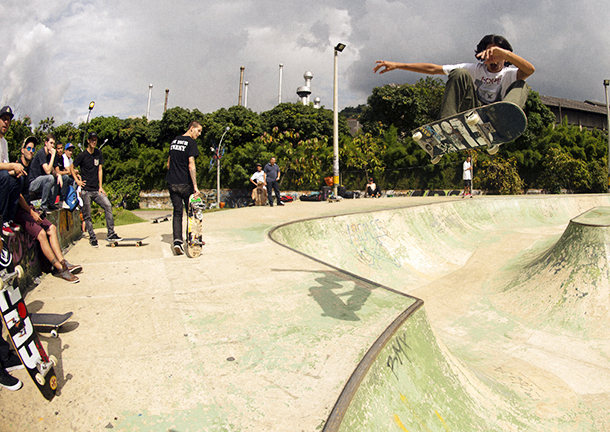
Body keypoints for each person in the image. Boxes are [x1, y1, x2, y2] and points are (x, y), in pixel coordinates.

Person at [373, 34, 535, 119]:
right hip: (473, 111)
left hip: (498, 115)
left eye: (496, 55)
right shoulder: (473, 69)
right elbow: (433, 69)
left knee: (522, 85)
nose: (492, 59)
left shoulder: (510, 73)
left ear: (505, 57)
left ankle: (507, 116)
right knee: (458, 73)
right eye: (489, 55)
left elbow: (530, 69)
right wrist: (398, 65)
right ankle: (447, 122)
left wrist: (503, 53)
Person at [14, 137, 82, 282]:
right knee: (41, 234)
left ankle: (63, 261)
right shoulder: (17, 167)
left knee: (51, 227)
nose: (31, 151)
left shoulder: (28, 166)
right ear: (22, 150)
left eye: (33, 148)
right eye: (29, 148)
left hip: (29, 207)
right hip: (19, 210)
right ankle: (59, 268)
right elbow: (18, 196)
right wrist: (31, 212)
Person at [71, 132, 122, 247]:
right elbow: (72, 167)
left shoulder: (99, 153)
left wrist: (101, 186)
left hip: (96, 189)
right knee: (87, 215)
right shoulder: (82, 155)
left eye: (95, 140)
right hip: (86, 191)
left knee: (108, 205)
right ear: (88, 141)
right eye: (92, 140)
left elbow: (100, 170)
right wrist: (77, 181)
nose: (94, 142)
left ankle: (111, 233)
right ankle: (93, 237)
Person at [165, 121, 202, 255]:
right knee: (191, 213)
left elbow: (168, 164)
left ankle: (177, 242)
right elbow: (191, 165)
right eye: (198, 131)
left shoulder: (174, 141)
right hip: (185, 184)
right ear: (191, 129)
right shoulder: (191, 143)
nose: (199, 134)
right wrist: (195, 187)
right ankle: (191, 239)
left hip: (172, 182)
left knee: (177, 212)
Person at [0, 106, 25, 237]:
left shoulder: (4, 142)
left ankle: (8, 219)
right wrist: (11, 166)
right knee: (4, 176)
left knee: (18, 179)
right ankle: (1, 220)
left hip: (1, 175)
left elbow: (6, 166)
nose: (6, 123)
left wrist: (15, 171)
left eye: (8, 120)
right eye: (4, 119)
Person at [28, 133, 60, 212]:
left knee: (55, 178)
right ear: (46, 143)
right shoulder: (41, 153)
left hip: (41, 181)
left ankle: (51, 203)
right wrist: (53, 155)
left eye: (53, 144)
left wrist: (58, 175)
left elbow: (52, 169)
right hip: (33, 183)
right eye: (51, 143)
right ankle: (43, 205)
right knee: (50, 178)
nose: (52, 146)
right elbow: (48, 171)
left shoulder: (48, 155)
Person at [54, 141, 73, 207]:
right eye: (58, 148)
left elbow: (62, 170)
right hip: (54, 177)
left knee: (72, 180)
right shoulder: (55, 157)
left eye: (61, 148)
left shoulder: (61, 158)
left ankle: (73, 200)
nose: (60, 150)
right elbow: (58, 172)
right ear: (56, 149)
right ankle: (62, 200)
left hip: (60, 177)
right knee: (66, 178)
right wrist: (68, 172)